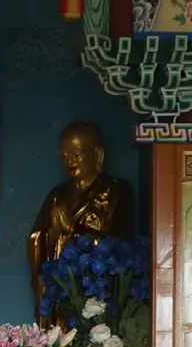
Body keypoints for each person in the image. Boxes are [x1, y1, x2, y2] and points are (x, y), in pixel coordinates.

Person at [26, 121, 135, 308]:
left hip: (97, 289)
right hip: (62, 286)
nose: (70, 161)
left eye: (77, 154)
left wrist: (72, 229)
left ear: (98, 154)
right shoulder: (58, 195)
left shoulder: (115, 190)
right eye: (64, 155)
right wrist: (52, 233)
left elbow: (117, 243)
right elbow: (36, 242)